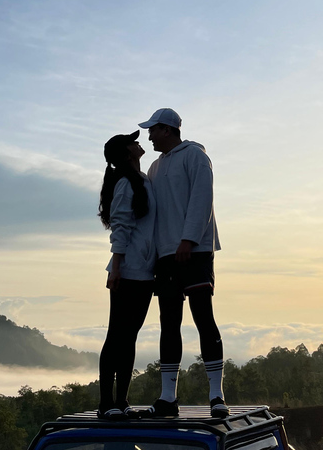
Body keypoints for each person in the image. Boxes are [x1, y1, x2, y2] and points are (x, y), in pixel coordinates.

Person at [138, 108, 228, 418]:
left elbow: (202, 199)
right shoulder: (154, 167)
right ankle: (167, 397)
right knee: (169, 322)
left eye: (153, 130)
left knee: (204, 317)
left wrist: (188, 241)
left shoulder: (195, 156)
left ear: (167, 130)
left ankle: (216, 395)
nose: (149, 135)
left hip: (196, 251)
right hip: (166, 255)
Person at [97, 130, 157, 420]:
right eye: (133, 142)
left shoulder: (142, 180)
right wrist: (117, 267)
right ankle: (106, 403)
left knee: (129, 336)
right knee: (117, 335)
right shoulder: (125, 183)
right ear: (126, 153)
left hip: (144, 272)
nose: (138, 143)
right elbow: (120, 225)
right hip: (127, 270)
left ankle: (122, 401)